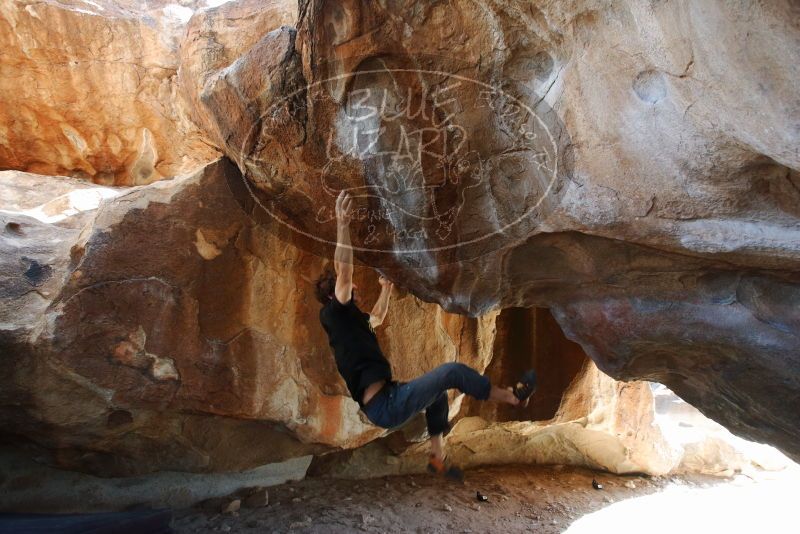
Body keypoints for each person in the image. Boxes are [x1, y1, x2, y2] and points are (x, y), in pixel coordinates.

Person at [317, 191, 537, 479]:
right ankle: (511, 397)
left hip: (388, 397)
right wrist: (342, 224)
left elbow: (377, 318)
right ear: (334, 294)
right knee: (451, 372)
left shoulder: (352, 323)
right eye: (348, 287)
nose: (355, 286)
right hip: (384, 405)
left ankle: (437, 457)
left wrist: (385, 290)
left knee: (437, 398)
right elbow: (344, 271)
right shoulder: (335, 312)